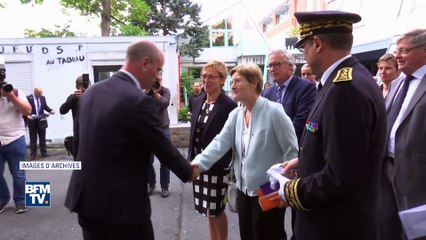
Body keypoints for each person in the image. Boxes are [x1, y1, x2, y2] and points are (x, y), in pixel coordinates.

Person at [64, 40, 198, 240]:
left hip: (87, 202)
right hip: (122, 210)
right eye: (158, 69)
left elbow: (80, 141)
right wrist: (189, 171)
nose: (158, 77)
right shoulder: (137, 100)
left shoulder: (91, 92)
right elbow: (162, 147)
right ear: (145, 63)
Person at [277, 11, 387, 239]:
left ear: (317, 43)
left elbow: (340, 177)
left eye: (303, 47)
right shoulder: (350, 79)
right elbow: (347, 151)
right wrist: (303, 159)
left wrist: (289, 190)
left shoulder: (345, 88)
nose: (304, 55)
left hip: (334, 226)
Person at [191, 63, 298, 240]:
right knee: (247, 235)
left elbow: (291, 151)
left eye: (237, 81)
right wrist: (197, 164)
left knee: (268, 235)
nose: (232, 85)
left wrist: (286, 188)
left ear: (254, 83)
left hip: (268, 189)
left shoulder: (274, 111)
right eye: (231, 82)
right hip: (243, 190)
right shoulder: (236, 114)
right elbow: (219, 143)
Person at [381, 28, 426, 240]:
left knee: (416, 234)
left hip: (417, 174)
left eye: (404, 51)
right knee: (386, 228)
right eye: (397, 50)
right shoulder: (397, 83)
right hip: (385, 169)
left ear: (424, 50)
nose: (397, 55)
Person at [188, 60, 237, 240]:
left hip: (217, 166)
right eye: (204, 76)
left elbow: (229, 139)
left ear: (222, 79)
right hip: (199, 163)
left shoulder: (228, 105)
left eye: (211, 77)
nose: (206, 80)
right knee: (208, 208)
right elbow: (194, 133)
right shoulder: (198, 100)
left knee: (216, 209)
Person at [262, 49, 316, 142]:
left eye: (276, 65)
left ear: (290, 66)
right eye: (270, 66)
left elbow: (301, 122)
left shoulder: (305, 87)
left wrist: (276, 140)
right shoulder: (267, 92)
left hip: (294, 147)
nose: (272, 69)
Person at [0, 57, 32, 214]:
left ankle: (20, 201)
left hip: (15, 138)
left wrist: (11, 96)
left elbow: (27, 111)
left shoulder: (17, 92)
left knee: (19, 174)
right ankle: (3, 198)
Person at [147, 79, 172, 198]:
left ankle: (164, 186)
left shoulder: (165, 91)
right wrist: (147, 91)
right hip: (149, 129)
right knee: (147, 160)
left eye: (158, 80)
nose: (155, 82)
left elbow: (165, 103)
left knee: (165, 160)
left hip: (163, 129)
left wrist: (156, 93)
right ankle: (151, 183)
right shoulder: (146, 92)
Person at [60, 75, 91, 158]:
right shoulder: (73, 98)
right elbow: (62, 110)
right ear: (77, 87)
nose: (83, 89)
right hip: (79, 135)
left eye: (85, 86)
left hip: (92, 135)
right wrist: (74, 98)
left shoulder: (94, 96)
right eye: (81, 87)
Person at [26, 87, 55, 160]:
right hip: (32, 120)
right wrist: (27, 115)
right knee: (33, 137)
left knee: (42, 136)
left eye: (41, 94)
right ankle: (33, 154)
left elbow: (45, 106)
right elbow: (25, 108)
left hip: (41, 120)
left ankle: (44, 153)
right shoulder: (28, 98)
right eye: (38, 94)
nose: (40, 95)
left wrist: (50, 110)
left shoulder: (42, 98)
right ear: (35, 92)